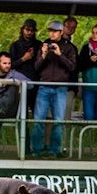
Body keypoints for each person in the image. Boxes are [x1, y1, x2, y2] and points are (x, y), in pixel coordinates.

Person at [31, 20, 77, 158]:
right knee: (39, 120)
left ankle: (54, 150)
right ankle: (36, 149)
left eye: (55, 31)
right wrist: (44, 54)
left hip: (60, 88)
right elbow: (36, 67)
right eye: (50, 31)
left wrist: (59, 54)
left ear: (61, 32)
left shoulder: (69, 48)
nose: (52, 33)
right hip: (44, 87)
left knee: (58, 120)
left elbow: (72, 67)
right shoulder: (43, 45)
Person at [9, 19, 43, 111]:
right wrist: (23, 59)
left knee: (36, 109)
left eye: (32, 30)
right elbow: (10, 65)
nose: (30, 32)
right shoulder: (15, 46)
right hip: (20, 81)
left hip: (35, 81)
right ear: (22, 29)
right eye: (27, 30)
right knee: (21, 110)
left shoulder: (39, 45)